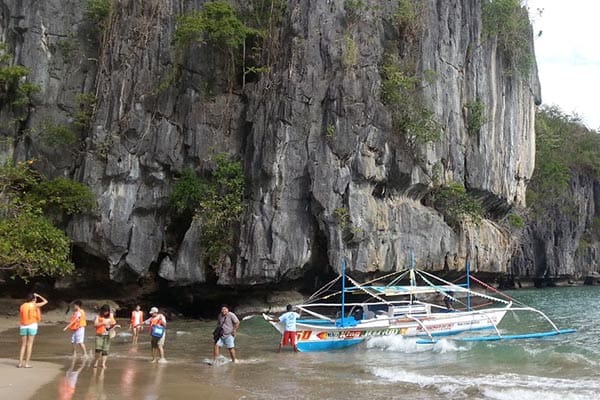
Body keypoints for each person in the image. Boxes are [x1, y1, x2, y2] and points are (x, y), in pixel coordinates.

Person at [18, 292, 48, 368]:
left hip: (23, 326)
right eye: (35, 299)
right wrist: (38, 295)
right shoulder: (35, 305)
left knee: (23, 345)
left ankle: (20, 363)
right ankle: (26, 364)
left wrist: (35, 298)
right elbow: (45, 301)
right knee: (30, 344)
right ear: (33, 299)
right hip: (32, 325)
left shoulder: (22, 306)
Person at [93, 304, 120, 369]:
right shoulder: (98, 316)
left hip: (108, 335)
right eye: (105, 311)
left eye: (107, 311)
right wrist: (103, 323)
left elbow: (113, 324)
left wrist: (116, 326)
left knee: (105, 350)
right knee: (98, 349)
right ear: (102, 311)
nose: (106, 312)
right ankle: (96, 362)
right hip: (99, 335)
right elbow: (95, 324)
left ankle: (103, 364)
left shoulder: (111, 316)